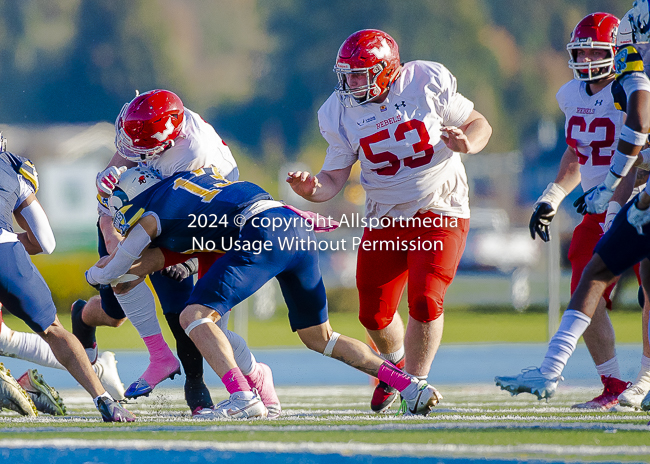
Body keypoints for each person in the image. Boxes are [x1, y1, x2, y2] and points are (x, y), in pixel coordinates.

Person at [86, 165, 442, 419]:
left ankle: (241, 395)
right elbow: (157, 256)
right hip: (292, 228)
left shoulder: (154, 212)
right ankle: (410, 386)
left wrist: (92, 272)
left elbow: (114, 268)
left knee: (193, 316)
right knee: (321, 337)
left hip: (262, 230)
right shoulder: (189, 183)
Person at [286, 29, 492, 412]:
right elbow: (333, 179)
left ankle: (415, 387)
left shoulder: (424, 82)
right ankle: (396, 370)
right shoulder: (340, 110)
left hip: (439, 206)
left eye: (360, 74)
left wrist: (468, 143)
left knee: (426, 298)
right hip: (385, 215)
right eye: (347, 74)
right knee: (374, 314)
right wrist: (311, 189)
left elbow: (480, 123)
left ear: (386, 70)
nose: (351, 83)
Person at [76, 90, 280, 416]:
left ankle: (248, 376)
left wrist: (187, 257)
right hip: (163, 215)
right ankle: (156, 354)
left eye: (142, 147)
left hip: (203, 224)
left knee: (202, 322)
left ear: (167, 140)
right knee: (120, 294)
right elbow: (113, 177)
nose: (131, 152)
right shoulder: (148, 121)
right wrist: (108, 227)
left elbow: (187, 215)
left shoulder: (193, 157)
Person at [495, 3, 650, 410]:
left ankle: (644, 379)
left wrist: (618, 202)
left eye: (595, 52)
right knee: (585, 292)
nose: (585, 60)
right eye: (580, 52)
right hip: (597, 206)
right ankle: (614, 382)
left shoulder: (632, 87)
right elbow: (576, 153)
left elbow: (638, 148)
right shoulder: (569, 94)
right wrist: (552, 195)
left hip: (637, 200)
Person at [0, 134, 134, 421]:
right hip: (6, 254)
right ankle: (104, 400)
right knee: (53, 330)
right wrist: (9, 240)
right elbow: (45, 242)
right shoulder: (11, 170)